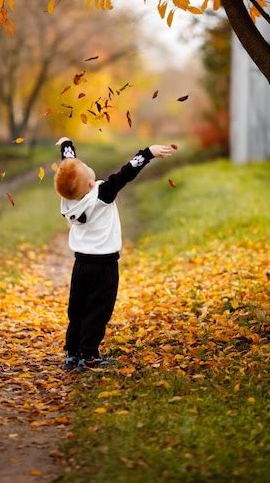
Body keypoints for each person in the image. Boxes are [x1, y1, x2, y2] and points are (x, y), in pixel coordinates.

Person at [54, 138, 175, 371]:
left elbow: (68, 164)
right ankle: (88, 355)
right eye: (89, 170)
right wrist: (148, 153)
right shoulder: (101, 194)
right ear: (91, 183)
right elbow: (126, 173)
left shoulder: (67, 199)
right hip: (104, 266)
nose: (89, 167)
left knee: (77, 309)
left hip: (81, 264)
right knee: (98, 310)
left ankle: (72, 353)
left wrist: (66, 144)